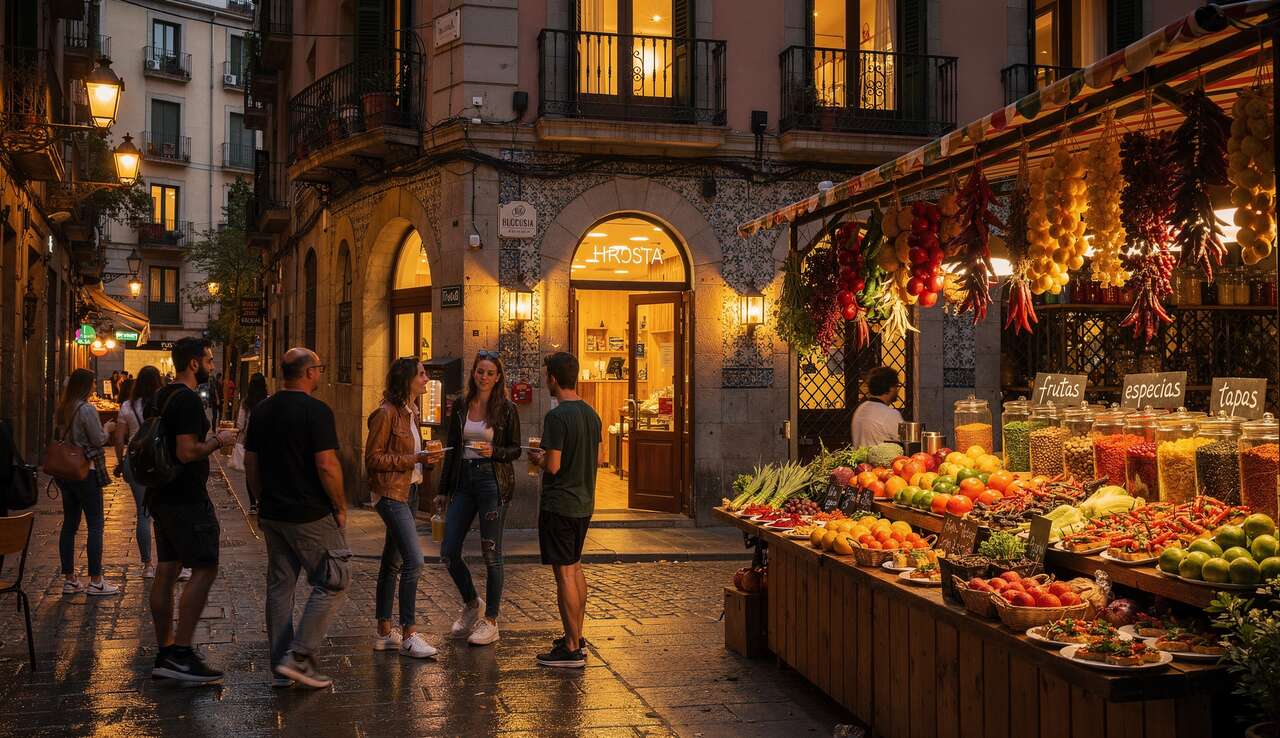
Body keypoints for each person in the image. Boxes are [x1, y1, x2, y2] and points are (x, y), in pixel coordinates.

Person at [245, 348, 349, 689]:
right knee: (334, 579)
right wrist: (340, 505)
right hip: (309, 512)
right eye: (318, 368)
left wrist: (261, 500)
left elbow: (251, 463)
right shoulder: (316, 411)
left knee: (280, 586)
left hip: (274, 512)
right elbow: (326, 464)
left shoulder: (262, 410)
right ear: (308, 373)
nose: (320, 373)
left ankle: (280, 667)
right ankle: (300, 657)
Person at [147, 338, 237, 684]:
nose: (213, 366)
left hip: (162, 495)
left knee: (167, 570)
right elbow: (187, 452)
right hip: (185, 498)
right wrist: (219, 440)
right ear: (194, 363)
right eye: (210, 361)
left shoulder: (163, 395)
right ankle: (182, 653)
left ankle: (166, 650)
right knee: (205, 568)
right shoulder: (185, 400)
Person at [436, 350, 521, 647]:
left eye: (489, 373)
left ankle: (492, 621)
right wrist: (443, 490)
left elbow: (515, 450)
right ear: (473, 373)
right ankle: (473, 603)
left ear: (497, 378)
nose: (483, 377)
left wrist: (494, 452)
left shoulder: (506, 409)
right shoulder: (461, 404)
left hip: (492, 482)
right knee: (448, 550)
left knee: (491, 554)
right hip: (464, 482)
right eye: (479, 371)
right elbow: (452, 448)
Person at [527, 352, 600, 669]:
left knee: (564, 575)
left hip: (560, 504)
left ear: (553, 379)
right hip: (584, 503)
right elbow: (596, 460)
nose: (546, 381)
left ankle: (571, 648)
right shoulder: (591, 414)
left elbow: (553, 465)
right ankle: (577, 635)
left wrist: (537, 458)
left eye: (547, 376)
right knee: (576, 568)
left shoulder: (556, 418)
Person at [365, 358, 439, 659]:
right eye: (421, 374)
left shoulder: (411, 413)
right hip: (391, 495)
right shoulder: (386, 414)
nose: (426, 378)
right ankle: (409, 633)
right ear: (406, 379)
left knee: (392, 561)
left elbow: (409, 454)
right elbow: (373, 459)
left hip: (409, 492)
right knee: (415, 560)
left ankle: (384, 631)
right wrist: (415, 459)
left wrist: (426, 460)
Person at [53, 369, 119, 597]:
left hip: (65, 472)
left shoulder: (63, 408)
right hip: (85, 471)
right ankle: (96, 580)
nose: (94, 388)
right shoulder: (86, 409)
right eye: (92, 384)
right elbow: (98, 440)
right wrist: (108, 429)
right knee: (95, 525)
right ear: (84, 386)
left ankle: (70, 579)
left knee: (69, 524)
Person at [113, 367, 163, 578]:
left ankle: (147, 565)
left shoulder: (127, 406)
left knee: (143, 514)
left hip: (134, 462)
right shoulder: (161, 404)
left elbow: (118, 438)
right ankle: (167, 562)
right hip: (158, 462)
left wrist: (120, 461)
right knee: (162, 514)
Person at [235, 373, 269, 512]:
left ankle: (253, 504)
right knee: (264, 470)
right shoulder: (268, 400)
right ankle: (263, 500)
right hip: (266, 440)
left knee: (251, 469)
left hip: (249, 440)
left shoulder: (246, 402)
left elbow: (240, 424)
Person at [849, 366, 904, 448]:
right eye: (896, 386)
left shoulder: (861, 408)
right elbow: (904, 441)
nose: (897, 390)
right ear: (890, 388)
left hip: (860, 459)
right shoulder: (890, 414)